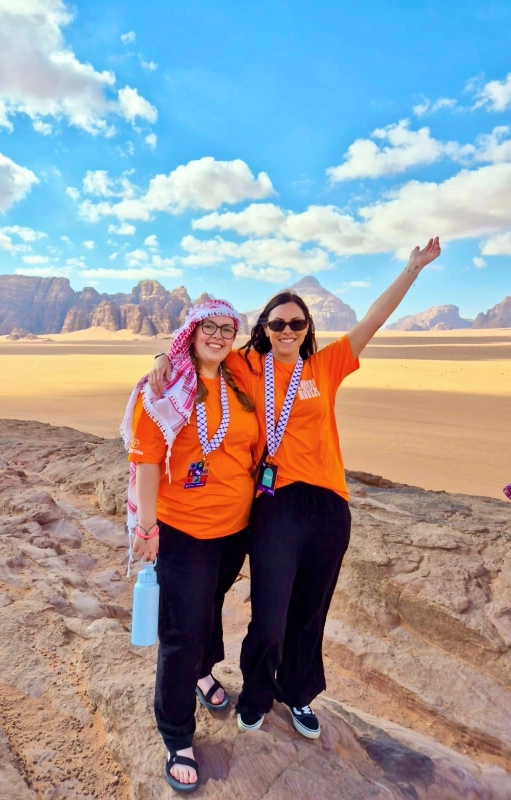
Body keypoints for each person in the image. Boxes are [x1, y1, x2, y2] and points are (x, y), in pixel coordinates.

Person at [148, 238, 442, 740]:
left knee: (311, 609)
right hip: (275, 501)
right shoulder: (246, 365)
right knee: (270, 612)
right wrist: (162, 355)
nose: (287, 330)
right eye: (277, 323)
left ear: (307, 329)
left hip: (328, 503)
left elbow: (374, 319)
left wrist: (412, 268)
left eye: (297, 323)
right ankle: (257, 693)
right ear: (264, 327)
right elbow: (200, 349)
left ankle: (299, 693)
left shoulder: (326, 365)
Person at [120, 299, 258, 793]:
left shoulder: (238, 376)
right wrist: (147, 528)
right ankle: (177, 734)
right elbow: (147, 462)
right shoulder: (163, 389)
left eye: (228, 329)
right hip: (184, 530)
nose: (218, 336)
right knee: (181, 630)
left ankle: (202, 674)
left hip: (235, 529)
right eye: (208, 327)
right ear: (191, 331)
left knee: (210, 606)